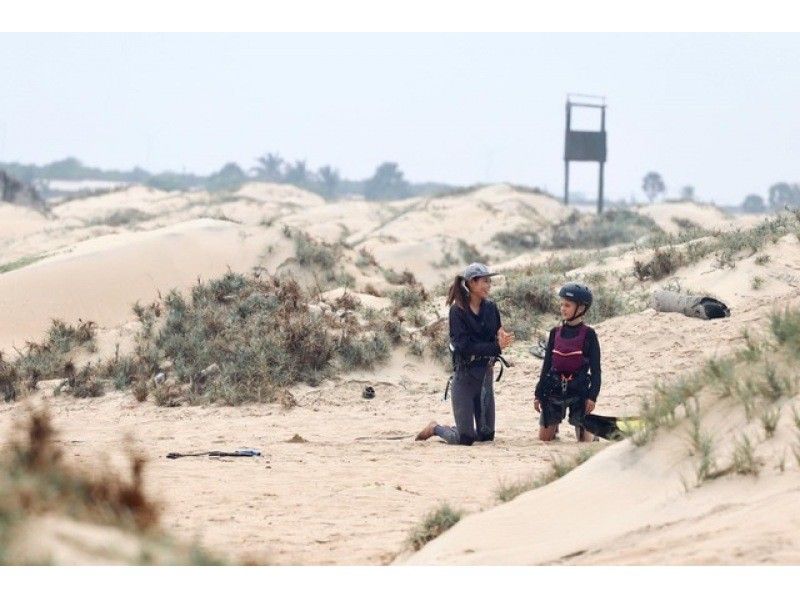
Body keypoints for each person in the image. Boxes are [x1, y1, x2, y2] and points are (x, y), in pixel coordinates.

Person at [415, 263, 514, 445]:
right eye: (484, 281)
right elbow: (463, 346)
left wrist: (502, 335)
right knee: (465, 439)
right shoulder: (457, 310)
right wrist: (495, 347)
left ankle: (462, 427)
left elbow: (497, 330)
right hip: (465, 378)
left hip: (485, 376)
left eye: (489, 281)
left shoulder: (491, 308)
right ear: (471, 283)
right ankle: (435, 428)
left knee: (486, 436)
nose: (488, 285)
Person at [533, 282, 601, 442]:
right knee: (544, 439)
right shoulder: (554, 333)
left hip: (579, 391)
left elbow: (596, 370)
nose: (563, 308)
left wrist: (592, 396)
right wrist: (538, 393)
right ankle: (553, 425)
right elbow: (547, 366)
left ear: (581, 308)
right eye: (562, 304)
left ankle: (592, 432)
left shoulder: (589, 335)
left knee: (585, 441)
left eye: (568, 305)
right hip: (554, 389)